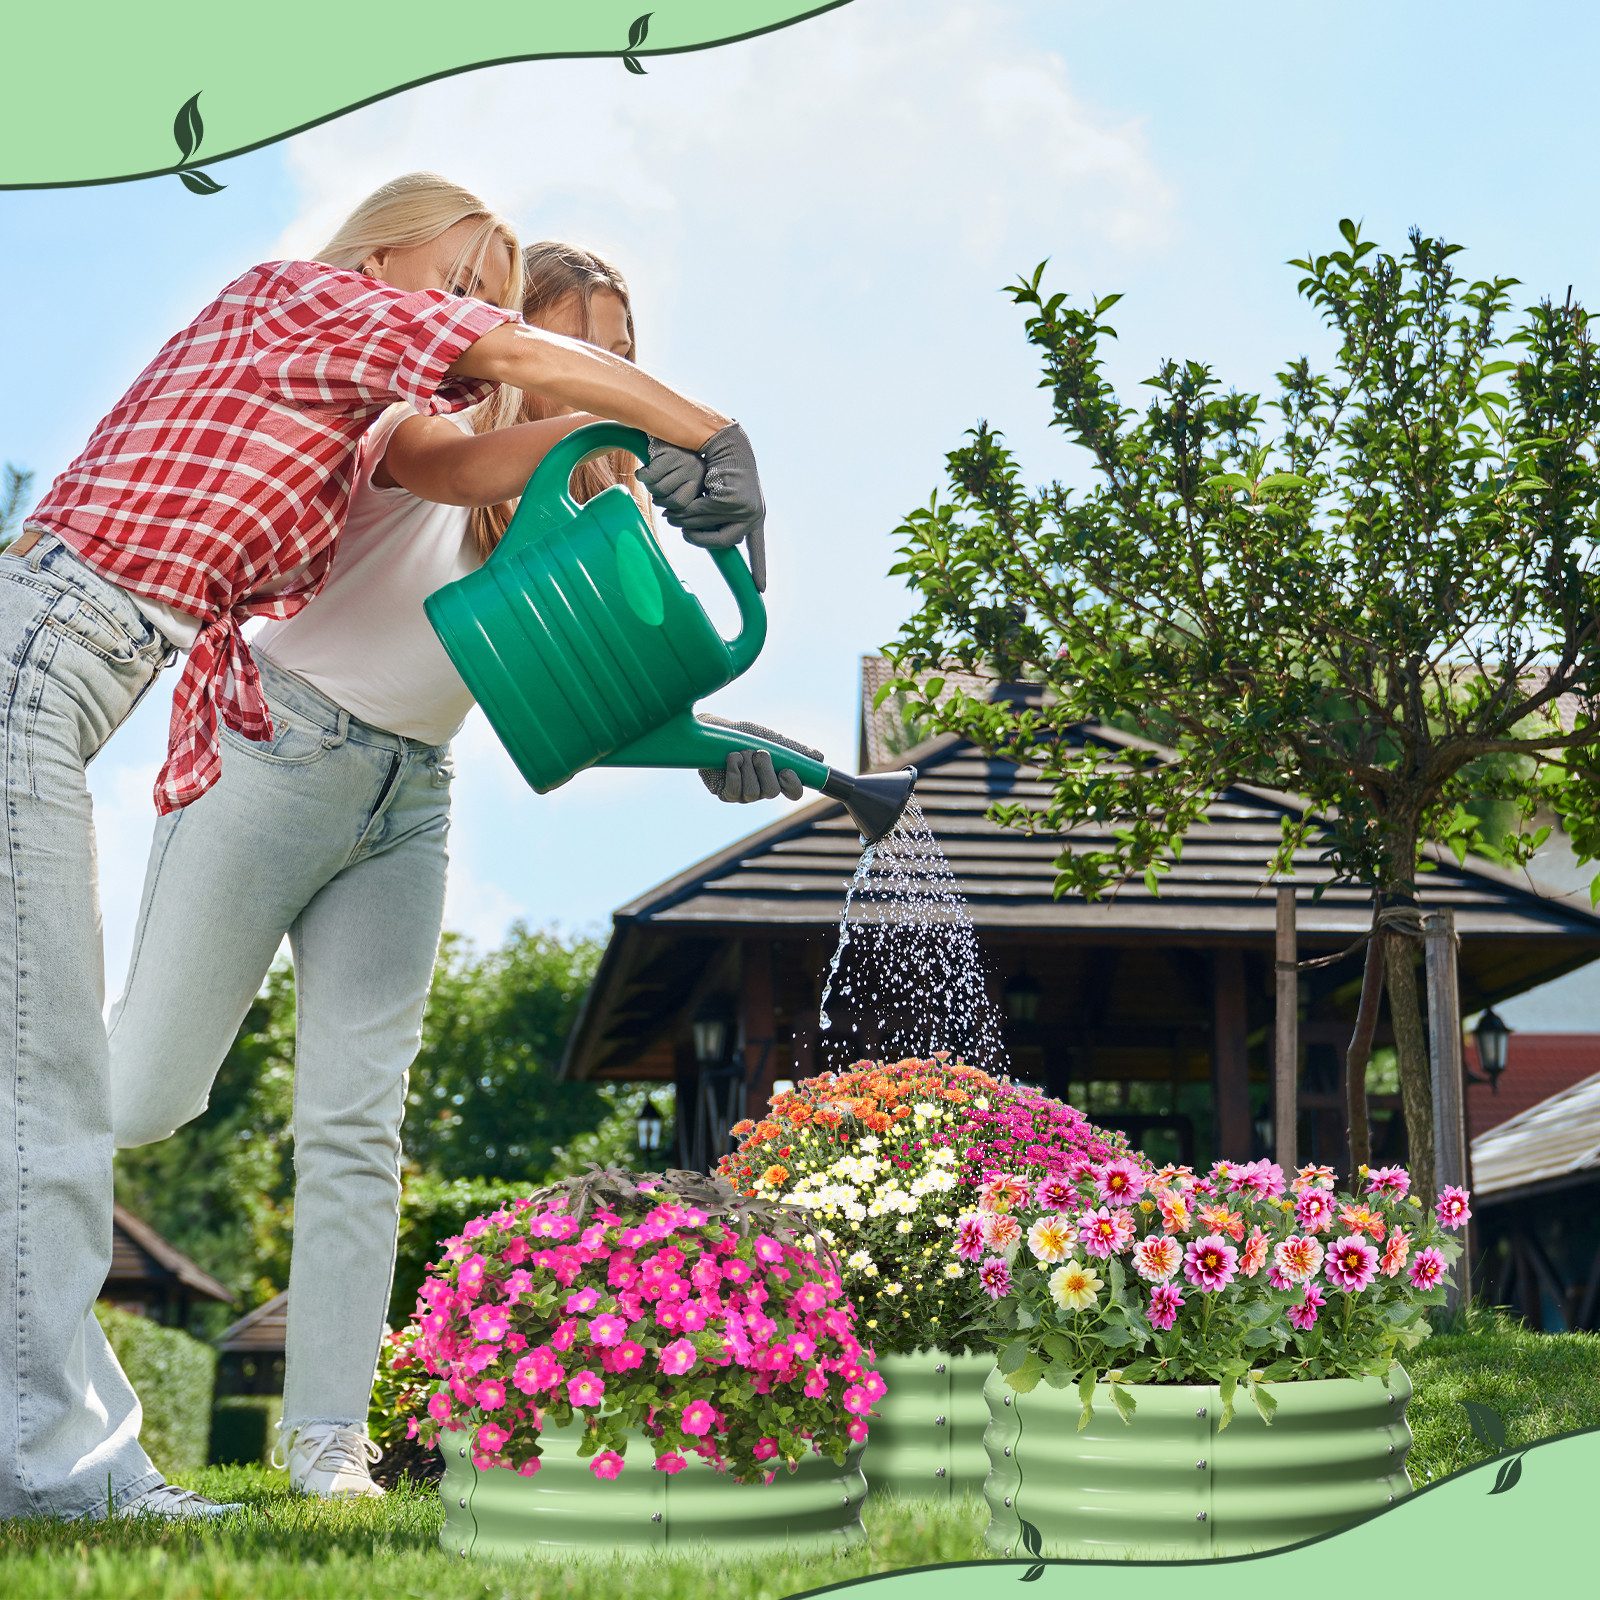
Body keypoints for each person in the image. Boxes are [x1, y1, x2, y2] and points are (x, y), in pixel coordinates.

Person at [0, 174, 766, 1523]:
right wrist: (653, 419)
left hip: (413, 796)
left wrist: (713, 748)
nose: (612, 382)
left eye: (627, 362)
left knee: (360, 1126)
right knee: (137, 1096)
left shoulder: (595, 508)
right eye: (591, 349)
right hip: (277, 757)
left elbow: (582, 700)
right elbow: (453, 452)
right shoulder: (411, 409)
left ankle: (329, 1450)